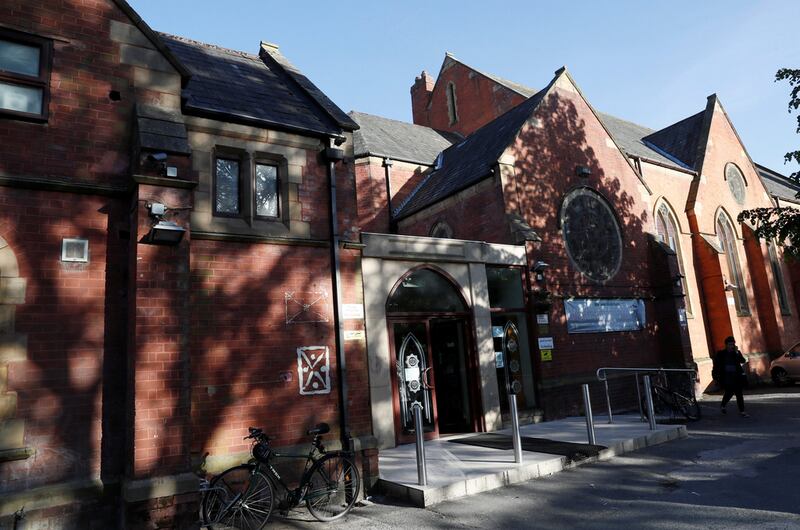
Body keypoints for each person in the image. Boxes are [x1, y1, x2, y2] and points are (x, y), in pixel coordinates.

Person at [712, 336, 749, 417]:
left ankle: (742, 411)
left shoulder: (736, 353)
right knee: (729, 392)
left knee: (739, 393)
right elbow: (716, 366)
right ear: (726, 345)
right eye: (730, 344)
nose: (731, 346)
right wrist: (715, 376)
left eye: (733, 344)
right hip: (726, 377)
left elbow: (743, 361)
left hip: (736, 376)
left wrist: (736, 353)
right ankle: (723, 405)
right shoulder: (721, 354)